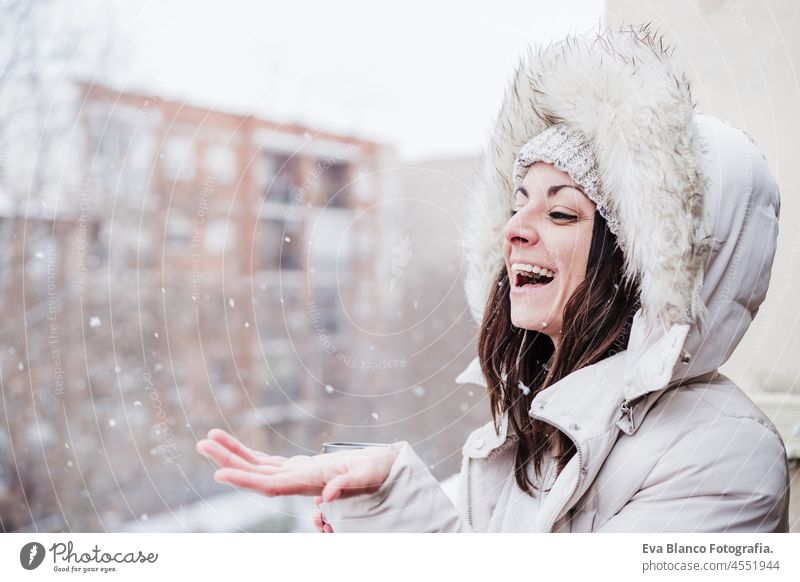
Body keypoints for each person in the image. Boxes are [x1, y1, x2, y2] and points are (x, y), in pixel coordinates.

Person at [196, 25, 790, 533]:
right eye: (517, 203)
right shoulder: (522, 438)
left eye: (560, 212)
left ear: (642, 266)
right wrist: (389, 499)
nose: (514, 231)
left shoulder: (724, 457)